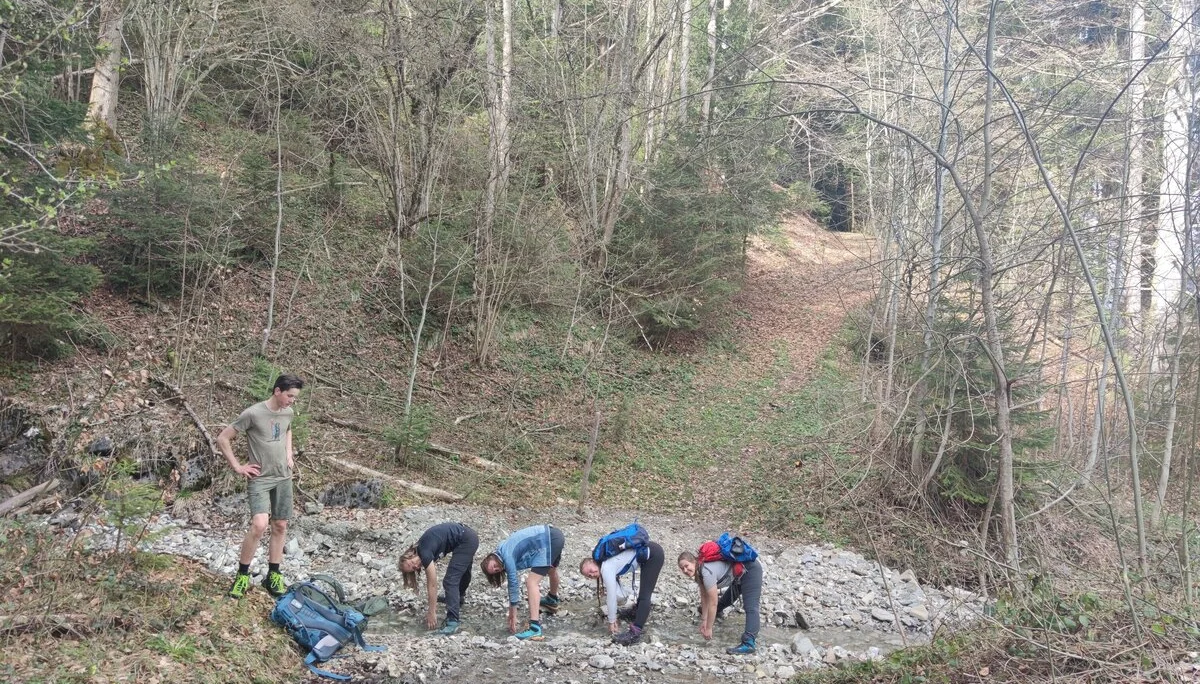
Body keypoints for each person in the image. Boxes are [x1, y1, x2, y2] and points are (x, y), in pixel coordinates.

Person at [218, 373, 304, 599]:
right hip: (260, 478)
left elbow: (287, 429)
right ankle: (242, 576)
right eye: (289, 395)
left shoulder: (288, 412)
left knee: (281, 525)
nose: (292, 400)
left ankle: (273, 575)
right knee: (259, 525)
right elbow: (223, 438)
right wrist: (238, 466)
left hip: (283, 476)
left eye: (295, 397)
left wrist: (288, 454)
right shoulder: (253, 413)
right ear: (277, 391)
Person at [677, 535, 764, 655]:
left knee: (751, 607)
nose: (685, 570)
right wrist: (704, 620)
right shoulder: (700, 573)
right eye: (682, 569)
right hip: (738, 576)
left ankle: (748, 643)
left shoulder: (706, 572)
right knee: (723, 603)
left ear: (694, 561)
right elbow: (704, 597)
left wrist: (709, 628)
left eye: (686, 566)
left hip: (750, 570)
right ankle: (717, 615)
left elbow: (712, 602)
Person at [480, 524, 564, 641]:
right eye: (494, 571)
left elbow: (513, 585)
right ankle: (552, 599)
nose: (496, 569)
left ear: (492, 557)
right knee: (551, 569)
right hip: (554, 534)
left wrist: (512, 614)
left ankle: (535, 628)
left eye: (494, 566)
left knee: (531, 582)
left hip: (548, 540)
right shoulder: (502, 548)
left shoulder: (506, 555)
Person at [578, 536, 665, 645]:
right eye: (589, 575)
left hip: (653, 555)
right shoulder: (605, 562)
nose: (592, 574)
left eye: (591, 570)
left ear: (594, 562)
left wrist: (612, 621)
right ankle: (637, 612)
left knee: (644, 596)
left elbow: (611, 597)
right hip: (649, 551)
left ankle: (635, 632)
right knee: (642, 596)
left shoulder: (606, 567)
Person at [398, 522, 480, 635]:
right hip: (467, 536)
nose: (416, 566)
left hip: (466, 539)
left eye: (412, 563)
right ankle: (458, 598)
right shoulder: (422, 550)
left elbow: (432, 584)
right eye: (414, 569)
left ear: (411, 553)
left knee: (450, 580)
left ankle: (452, 621)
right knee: (463, 571)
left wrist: (431, 612)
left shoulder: (424, 551)